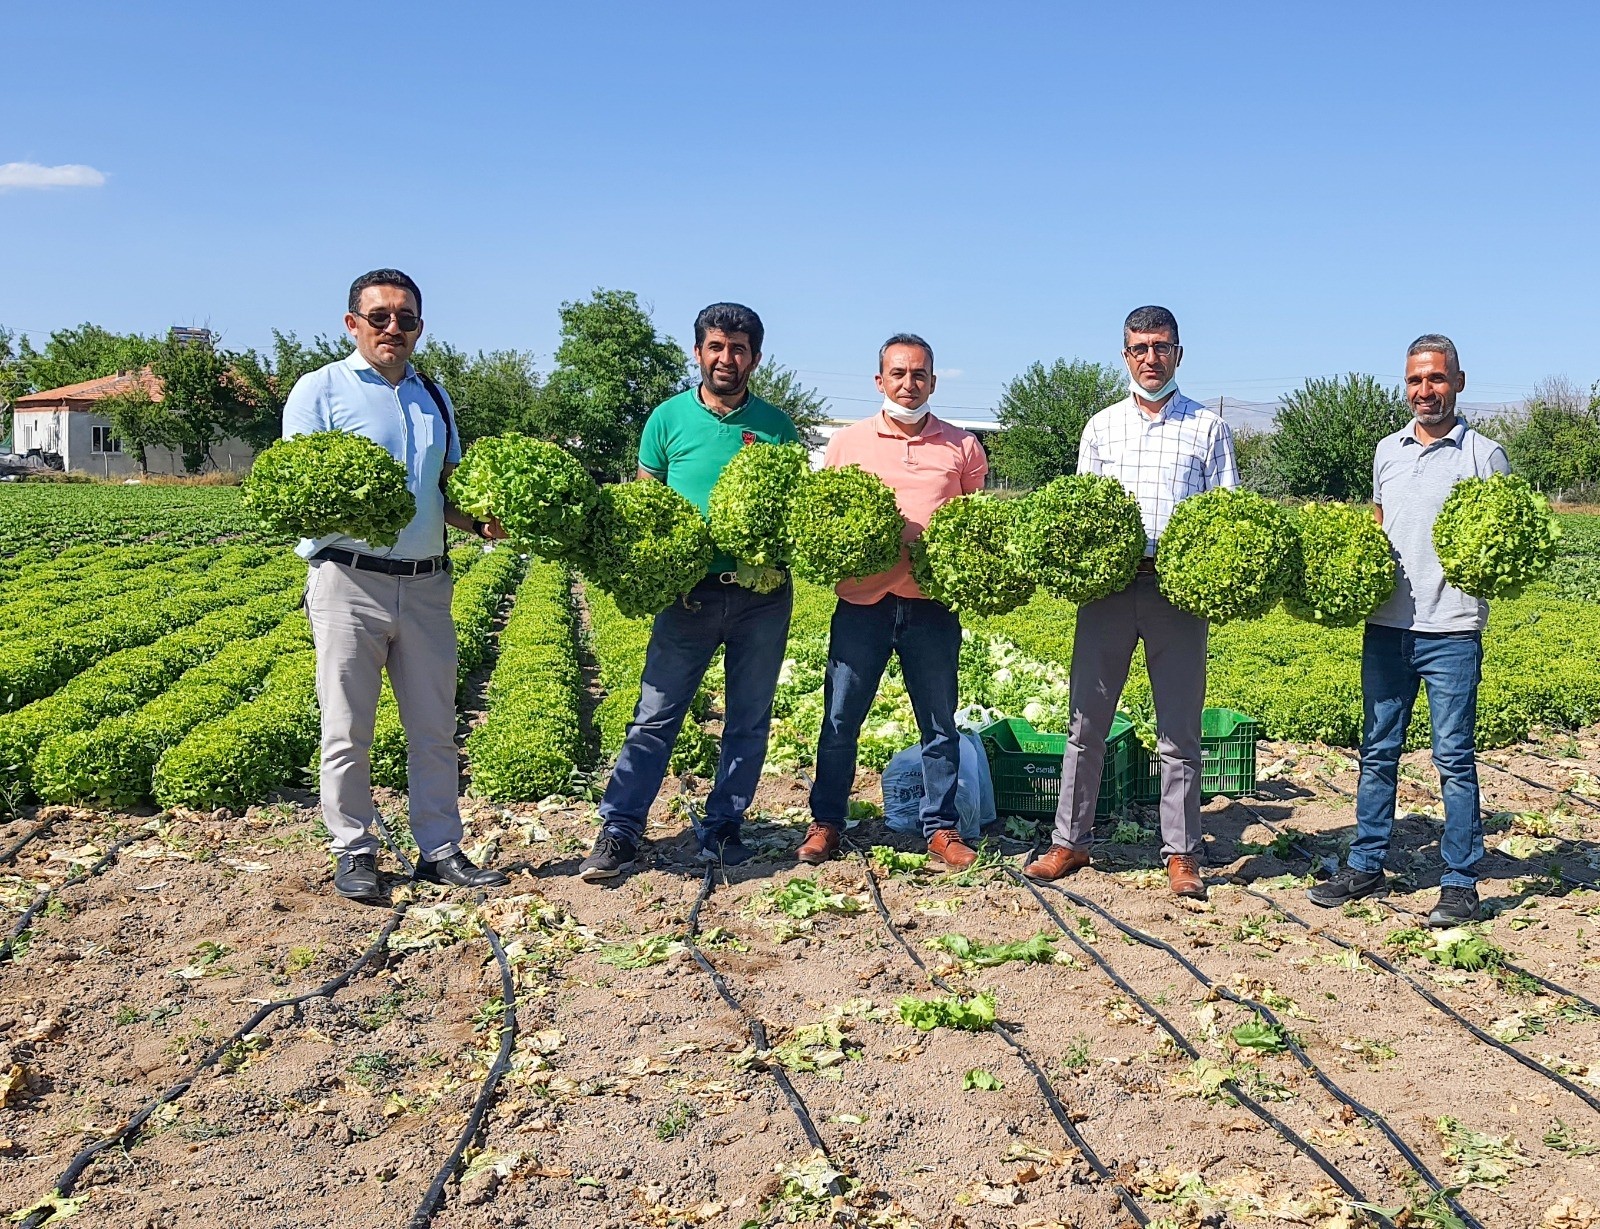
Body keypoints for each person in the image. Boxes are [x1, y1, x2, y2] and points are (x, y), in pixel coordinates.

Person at [284, 268, 509, 902]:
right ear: (352, 323)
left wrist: (482, 519)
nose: (393, 328)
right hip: (347, 581)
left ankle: (439, 850)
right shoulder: (318, 391)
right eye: (379, 316)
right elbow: (301, 488)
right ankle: (355, 849)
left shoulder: (433, 396)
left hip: (428, 583)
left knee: (435, 726)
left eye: (405, 318)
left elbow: (448, 491)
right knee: (348, 726)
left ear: (419, 327)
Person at [578, 303, 802, 882]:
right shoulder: (667, 419)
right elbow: (645, 508)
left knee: (748, 718)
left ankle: (724, 826)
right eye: (716, 346)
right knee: (656, 714)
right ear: (699, 351)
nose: (727, 358)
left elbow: (794, 509)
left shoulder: (777, 427)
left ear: (755, 356)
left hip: (762, 596)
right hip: (688, 596)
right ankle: (621, 828)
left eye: (739, 348)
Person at [1024, 305, 1237, 899]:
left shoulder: (1209, 429)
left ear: (1179, 354)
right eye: (1140, 348)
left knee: (1179, 731)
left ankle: (1182, 853)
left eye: (1161, 347)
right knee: (1085, 724)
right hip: (1108, 592)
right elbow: (1076, 515)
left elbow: (1227, 517)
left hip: (1176, 592)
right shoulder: (1101, 427)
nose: (1151, 358)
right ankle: (1070, 841)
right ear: (1125, 355)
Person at [1308, 335, 1510, 926]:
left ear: (1459, 382)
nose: (1426, 391)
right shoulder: (1386, 452)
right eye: (1416, 381)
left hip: (1451, 630)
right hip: (1387, 628)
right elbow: (1375, 524)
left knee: (1453, 757)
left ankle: (1459, 879)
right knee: (1377, 750)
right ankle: (1367, 862)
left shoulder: (1484, 456)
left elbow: (1500, 542)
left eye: (1437, 379)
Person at [796, 335, 989, 868]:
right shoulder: (847, 443)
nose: (909, 384)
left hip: (931, 606)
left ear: (933, 381)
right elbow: (826, 518)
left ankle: (941, 828)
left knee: (939, 722)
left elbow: (973, 527)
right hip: (863, 603)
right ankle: (827, 821)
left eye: (920, 375)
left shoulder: (963, 447)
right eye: (898, 374)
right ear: (880, 380)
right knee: (839, 719)